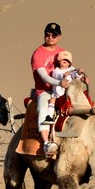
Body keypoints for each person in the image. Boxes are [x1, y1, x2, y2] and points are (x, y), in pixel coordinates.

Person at [30, 21, 65, 157]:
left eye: (54, 35)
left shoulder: (62, 53)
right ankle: (46, 144)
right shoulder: (38, 54)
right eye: (48, 34)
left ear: (59, 37)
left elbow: (69, 70)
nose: (50, 37)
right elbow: (44, 77)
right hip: (45, 91)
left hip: (61, 90)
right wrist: (59, 83)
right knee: (44, 109)